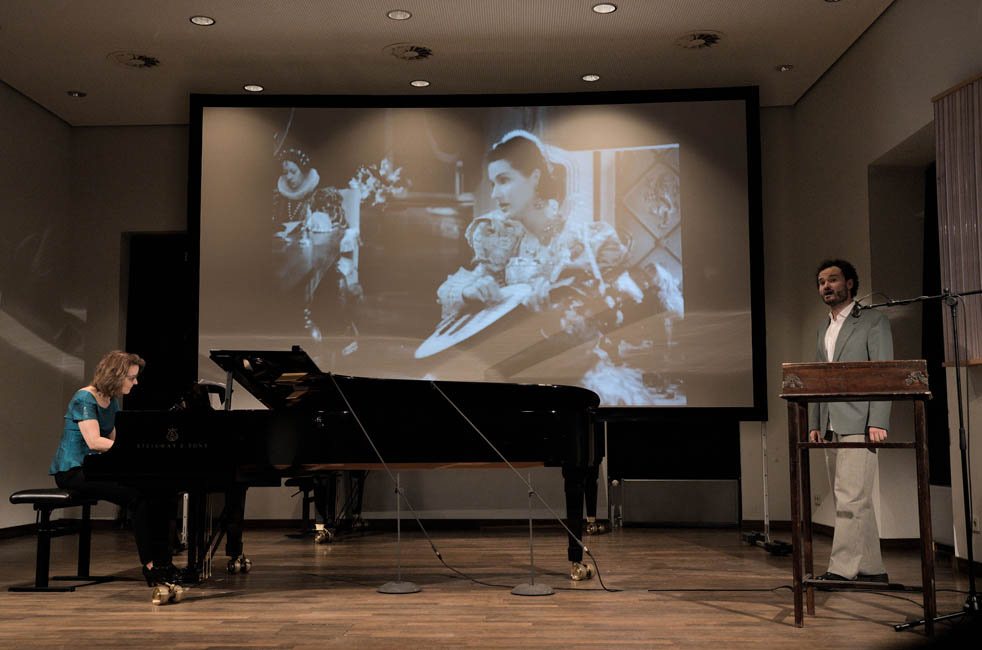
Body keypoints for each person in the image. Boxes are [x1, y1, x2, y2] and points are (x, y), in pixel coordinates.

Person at [437, 131, 628, 321]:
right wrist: (470, 291)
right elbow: (449, 290)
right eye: (493, 184)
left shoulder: (587, 242)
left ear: (535, 178)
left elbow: (608, 317)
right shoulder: (506, 241)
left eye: (504, 180)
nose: (495, 194)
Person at [49, 350, 178, 587]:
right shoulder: (84, 398)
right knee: (136, 497)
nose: (136, 382)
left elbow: (117, 441)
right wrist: (136, 452)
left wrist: (143, 451)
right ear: (116, 376)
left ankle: (164, 562)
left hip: (94, 468)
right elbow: (95, 442)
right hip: (72, 472)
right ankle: (151, 567)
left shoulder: (112, 401)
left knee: (157, 491)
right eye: (131, 377)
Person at [807, 259, 893, 584]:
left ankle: (841, 570)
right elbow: (818, 377)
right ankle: (872, 569)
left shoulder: (873, 321)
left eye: (832, 279)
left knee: (850, 497)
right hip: (831, 422)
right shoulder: (824, 328)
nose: (826, 286)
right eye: (821, 282)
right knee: (854, 498)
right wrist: (815, 421)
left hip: (861, 421)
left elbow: (883, 374)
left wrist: (879, 419)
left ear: (850, 284)